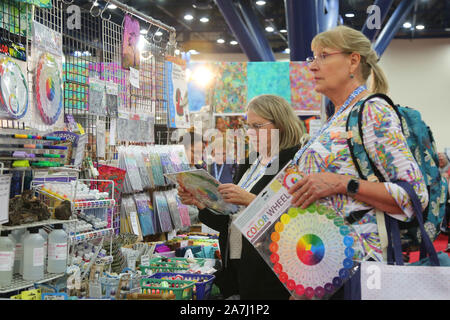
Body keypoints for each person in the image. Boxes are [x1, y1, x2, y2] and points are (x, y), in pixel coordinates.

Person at [287, 25, 428, 299]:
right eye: (312, 58)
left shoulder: (373, 111)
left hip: (359, 272)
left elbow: (414, 196)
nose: (313, 66)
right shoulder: (338, 117)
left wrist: (342, 183)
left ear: (353, 60)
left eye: (323, 56)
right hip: (321, 267)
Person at [178, 94, 307, 300]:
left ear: (280, 126)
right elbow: (228, 220)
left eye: (257, 126)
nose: (250, 133)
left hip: (272, 271)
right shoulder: (251, 162)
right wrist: (201, 202)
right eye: (248, 126)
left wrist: (249, 199)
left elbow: (297, 220)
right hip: (238, 264)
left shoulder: (294, 162)